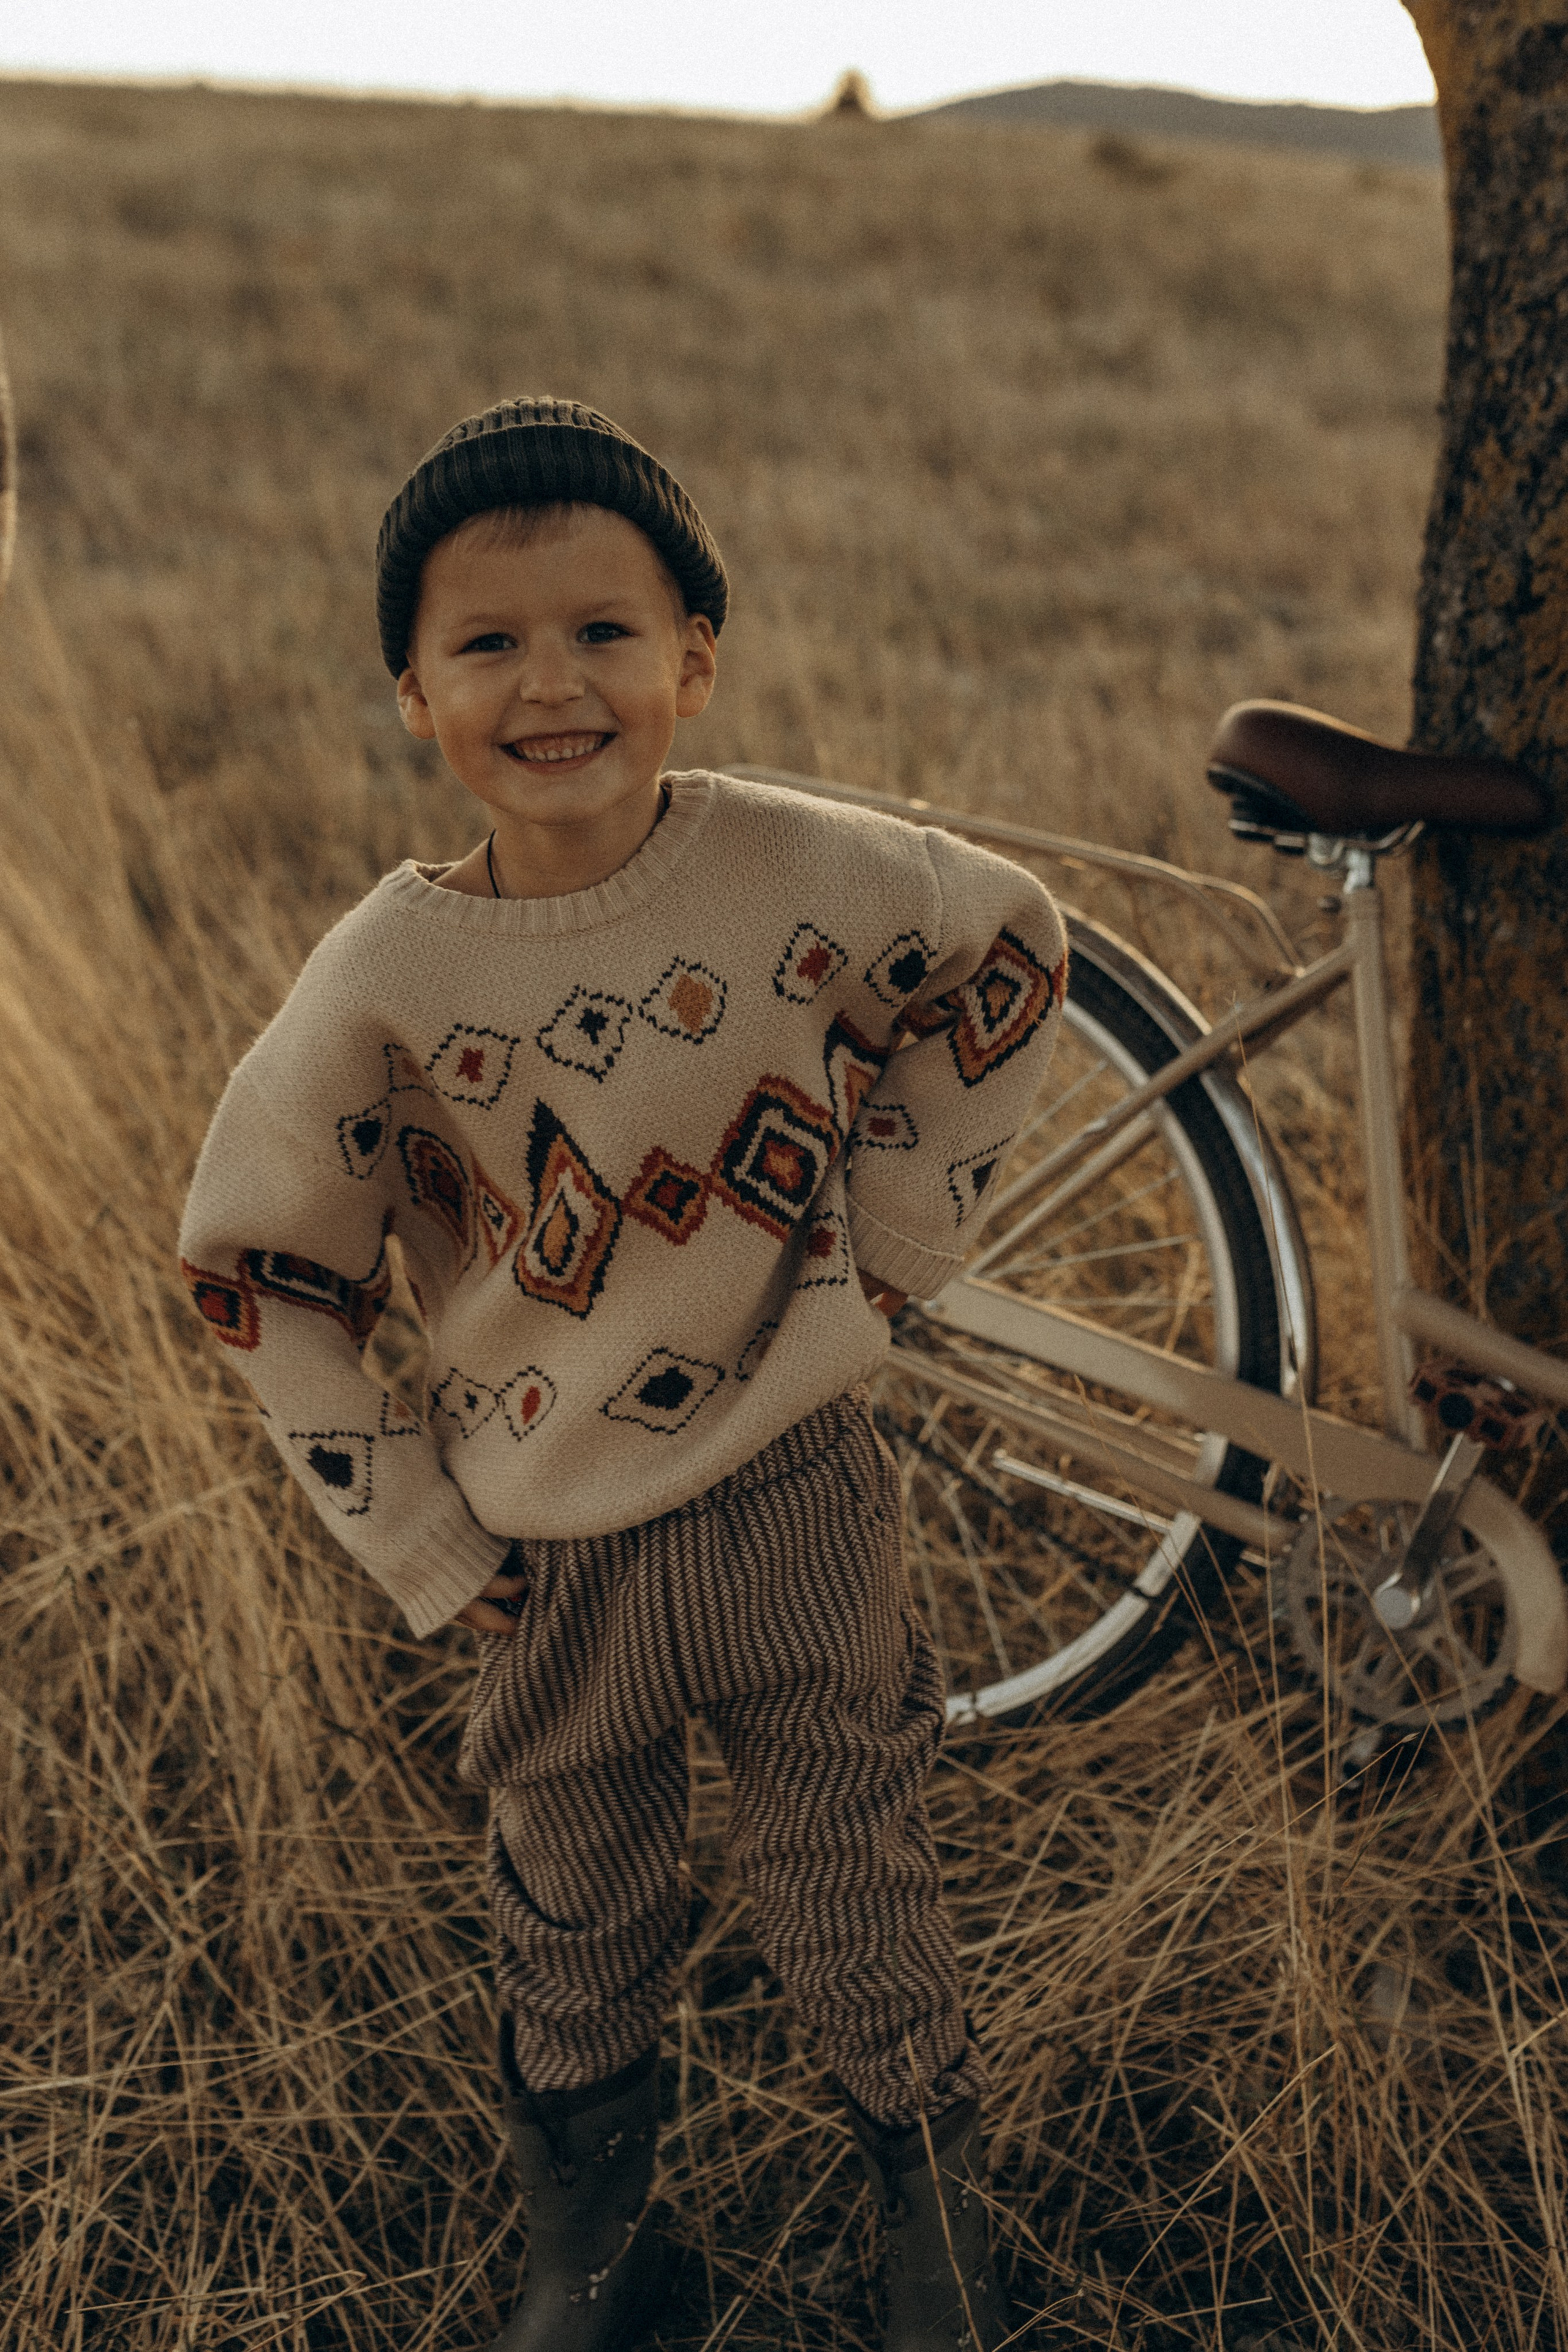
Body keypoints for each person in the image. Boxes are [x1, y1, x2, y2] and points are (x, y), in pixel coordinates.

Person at [178, 397, 1066, 2351]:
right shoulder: (385, 981)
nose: (551, 684)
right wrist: (417, 1535)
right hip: (549, 1545)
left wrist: (896, 1236)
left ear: (696, 658)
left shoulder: (800, 869)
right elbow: (258, 1272)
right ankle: (594, 2259)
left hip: (797, 1494)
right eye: (487, 644)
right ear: (413, 694)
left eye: (605, 630)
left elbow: (1008, 952)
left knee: (853, 1867)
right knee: (572, 1909)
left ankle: (937, 2242)